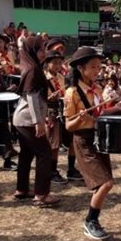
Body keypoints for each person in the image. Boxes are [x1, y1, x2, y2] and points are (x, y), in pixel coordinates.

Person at [63, 47, 116, 240]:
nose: (97, 71)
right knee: (106, 183)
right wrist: (81, 118)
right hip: (83, 140)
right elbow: (69, 125)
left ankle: (93, 219)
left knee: (101, 184)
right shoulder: (72, 93)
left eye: (99, 67)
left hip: (99, 138)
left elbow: (99, 115)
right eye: (93, 67)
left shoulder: (98, 89)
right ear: (80, 68)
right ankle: (90, 220)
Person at [12, 36, 59, 207]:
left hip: (22, 118)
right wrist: (38, 122)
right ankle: (41, 194)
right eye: (39, 50)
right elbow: (31, 96)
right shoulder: (32, 70)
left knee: (26, 154)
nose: (43, 53)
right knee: (44, 153)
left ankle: (22, 189)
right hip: (27, 119)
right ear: (31, 51)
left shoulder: (31, 67)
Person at [43, 50, 68, 184]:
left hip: (59, 109)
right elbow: (38, 97)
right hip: (48, 110)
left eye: (60, 63)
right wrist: (49, 97)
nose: (58, 65)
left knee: (56, 143)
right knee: (51, 142)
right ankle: (50, 170)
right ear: (47, 64)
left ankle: (53, 168)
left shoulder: (60, 77)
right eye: (55, 63)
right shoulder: (43, 78)